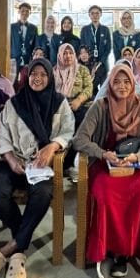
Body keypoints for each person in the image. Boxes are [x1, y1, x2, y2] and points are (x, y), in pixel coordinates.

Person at [0, 59, 74, 278]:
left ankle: (8, 249)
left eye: (42, 74)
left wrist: (52, 146)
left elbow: (68, 131)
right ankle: (20, 245)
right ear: (27, 77)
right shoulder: (15, 102)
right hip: (15, 160)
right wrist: (9, 158)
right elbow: (2, 133)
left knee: (42, 194)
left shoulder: (59, 103)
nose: (37, 78)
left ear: (50, 77)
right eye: (33, 74)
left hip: (41, 165)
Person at [73, 63, 140, 278]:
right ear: (109, 84)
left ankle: (128, 251)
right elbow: (79, 139)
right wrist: (103, 153)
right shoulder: (100, 106)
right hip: (105, 163)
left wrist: (139, 155)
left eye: (126, 81)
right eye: (116, 81)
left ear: (133, 83)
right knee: (105, 192)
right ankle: (108, 247)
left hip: (135, 165)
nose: (122, 86)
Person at [54, 42, 94, 183]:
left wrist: (78, 100)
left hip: (78, 105)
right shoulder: (54, 71)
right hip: (59, 106)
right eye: (65, 53)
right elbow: (50, 92)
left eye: (70, 52)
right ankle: (56, 161)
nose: (68, 56)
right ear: (60, 55)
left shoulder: (82, 70)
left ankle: (68, 162)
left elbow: (89, 88)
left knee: (82, 123)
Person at [80, 5, 113, 96]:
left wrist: (100, 62)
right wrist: (89, 60)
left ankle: (103, 108)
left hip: (103, 65)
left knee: (104, 91)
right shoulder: (85, 30)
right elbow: (82, 47)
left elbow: (108, 48)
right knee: (91, 89)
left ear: (101, 14)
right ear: (89, 15)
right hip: (89, 66)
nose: (95, 15)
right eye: (92, 13)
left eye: (97, 13)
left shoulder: (105, 30)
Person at [11, 3, 39, 73]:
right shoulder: (12, 27)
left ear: (30, 13)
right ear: (19, 11)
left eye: (27, 11)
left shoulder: (34, 28)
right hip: (14, 60)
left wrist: (33, 59)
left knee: (26, 81)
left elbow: (35, 45)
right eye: (23, 10)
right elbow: (9, 43)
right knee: (13, 82)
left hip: (28, 61)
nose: (25, 13)